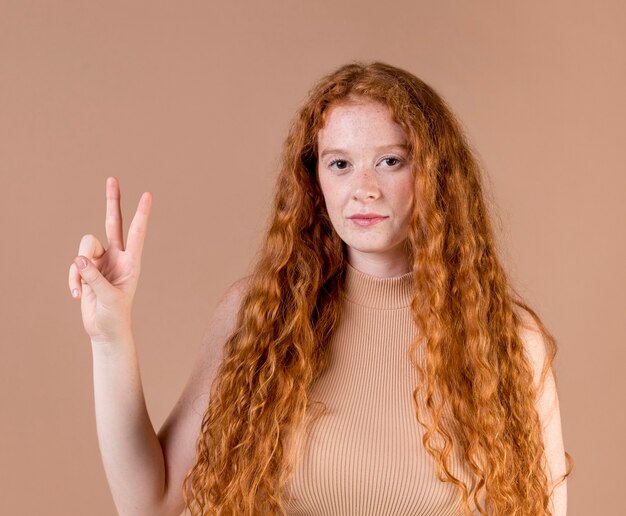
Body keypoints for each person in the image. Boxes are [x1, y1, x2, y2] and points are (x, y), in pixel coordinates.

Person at [69, 61, 573, 516]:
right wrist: (110, 337)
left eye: (391, 161)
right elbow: (148, 503)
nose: (364, 188)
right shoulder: (260, 316)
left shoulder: (508, 339)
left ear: (435, 175)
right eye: (340, 164)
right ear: (316, 182)